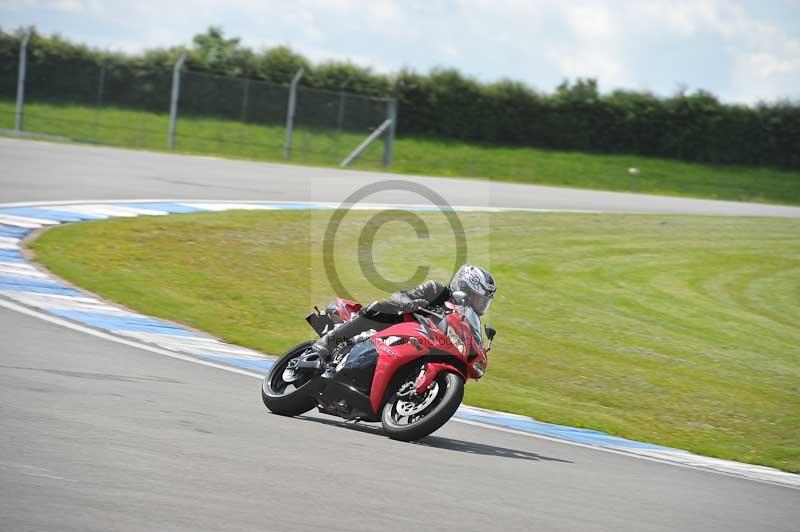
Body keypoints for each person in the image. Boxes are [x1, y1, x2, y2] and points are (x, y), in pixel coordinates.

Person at [312, 264, 496, 362]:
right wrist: (410, 304)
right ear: (463, 287)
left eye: (483, 302)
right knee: (380, 308)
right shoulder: (436, 290)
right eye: (477, 298)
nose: (479, 305)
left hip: (421, 344)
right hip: (398, 326)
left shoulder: (464, 318)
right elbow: (399, 296)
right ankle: (329, 340)